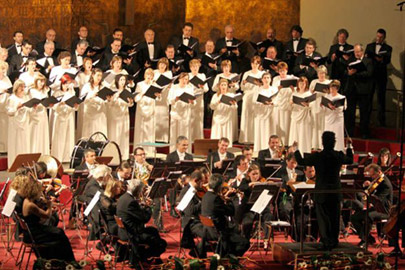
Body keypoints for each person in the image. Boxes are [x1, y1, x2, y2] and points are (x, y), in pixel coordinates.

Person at [294, 131, 354, 250]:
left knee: (323, 218)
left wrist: (296, 149)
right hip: (335, 192)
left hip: (321, 192)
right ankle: (334, 241)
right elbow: (350, 160)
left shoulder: (318, 156)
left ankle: (326, 241)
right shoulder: (338, 155)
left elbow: (301, 161)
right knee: (335, 217)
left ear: (322, 142)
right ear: (334, 142)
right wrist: (348, 147)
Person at [21, 177, 78, 264]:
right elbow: (47, 215)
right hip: (35, 234)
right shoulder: (30, 205)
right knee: (59, 233)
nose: (40, 193)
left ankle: (61, 259)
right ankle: (68, 260)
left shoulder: (27, 200)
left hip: (32, 230)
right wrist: (49, 205)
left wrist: (44, 204)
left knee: (59, 232)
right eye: (39, 191)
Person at [117, 179, 167, 266]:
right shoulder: (131, 202)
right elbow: (144, 218)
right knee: (161, 243)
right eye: (142, 190)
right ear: (137, 190)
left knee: (153, 230)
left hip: (125, 230)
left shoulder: (123, 197)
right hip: (132, 233)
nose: (142, 192)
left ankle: (155, 258)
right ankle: (142, 257)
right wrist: (149, 207)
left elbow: (135, 213)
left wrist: (142, 207)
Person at [201, 173, 250, 257]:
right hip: (218, 233)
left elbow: (216, 209)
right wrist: (230, 200)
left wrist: (223, 198)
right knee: (244, 243)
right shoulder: (216, 199)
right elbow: (231, 212)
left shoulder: (206, 196)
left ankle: (227, 254)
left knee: (234, 229)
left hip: (207, 229)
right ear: (219, 186)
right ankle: (229, 258)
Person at [351, 163, 393, 248]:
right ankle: (368, 238)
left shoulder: (386, 184)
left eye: (373, 175)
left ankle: (364, 241)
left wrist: (370, 196)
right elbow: (368, 193)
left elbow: (378, 199)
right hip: (376, 208)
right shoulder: (378, 181)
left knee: (368, 216)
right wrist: (367, 186)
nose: (372, 177)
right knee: (354, 217)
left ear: (379, 172)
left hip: (384, 210)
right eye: (371, 175)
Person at [344, 44, 374, 138]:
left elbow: (369, 73)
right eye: (355, 52)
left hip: (363, 90)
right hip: (352, 90)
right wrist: (349, 73)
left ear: (362, 52)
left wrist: (356, 73)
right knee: (350, 112)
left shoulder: (368, 61)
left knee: (364, 112)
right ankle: (350, 132)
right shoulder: (351, 60)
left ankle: (364, 132)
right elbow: (345, 72)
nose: (356, 53)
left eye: (358, 52)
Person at [365, 29, 392, 127]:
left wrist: (381, 59)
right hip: (370, 76)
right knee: (368, 98)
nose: (378, 39)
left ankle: (381, 122)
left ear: (384, 38)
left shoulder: (388, 48)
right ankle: (366, 120)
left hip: (381, 76)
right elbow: (365, 59)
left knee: (381, 99)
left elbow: (387, 61)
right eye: (377, 36)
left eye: (381, 37)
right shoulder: (369, 46)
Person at [241, 164, 272, 247]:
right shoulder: (245, 181)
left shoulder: (262, 181)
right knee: (247, 222)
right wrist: (249, 185)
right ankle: (245, 241)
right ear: (249, 174)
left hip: (261, 207)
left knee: (268, 215)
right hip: (249, 209)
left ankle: (266, 240)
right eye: (253, 174)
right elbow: (240, 187)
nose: (255, 176)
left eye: (257, 174)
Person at [51, 74, 78, 162]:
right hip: (60, 117)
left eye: (68, 83)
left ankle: (67, 157)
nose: (66, 85)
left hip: (69, 116)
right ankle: (58, 157)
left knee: (68, 136)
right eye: (65, 83)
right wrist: (60, 104)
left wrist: (75, 105)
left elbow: (75, 107)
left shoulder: (71, 93)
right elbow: (53, 107)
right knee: (59, 137)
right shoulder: (57, 93)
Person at [178, 170, 205, 257]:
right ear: (196, 180)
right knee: (208, 233)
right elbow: (190, 211)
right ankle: (198, 252)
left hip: (200, 219)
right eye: (202, 182)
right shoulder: (187, 191)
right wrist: (203, 202)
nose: (203, 185)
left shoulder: (196, 190)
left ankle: (198, 252)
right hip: (190, 222)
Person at [134, 68, 161, 153]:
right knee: (141, 131)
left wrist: (158, 96)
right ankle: (139, 150)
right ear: (145, 76)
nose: (149, 78)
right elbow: (136, 98)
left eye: (151, 77)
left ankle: (149, 151)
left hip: (151, 109)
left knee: (150, 130)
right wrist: (142, 94)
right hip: (141, 109)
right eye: (147, 76)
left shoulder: (155, 85)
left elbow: (159, 99)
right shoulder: (139, 84)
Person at [107, 74, 133, 159]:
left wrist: (130, 102)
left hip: (124, 114)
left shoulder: (127, 90)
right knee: (115, 133)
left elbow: (130, 104)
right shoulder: (113, 90)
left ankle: (124, 155)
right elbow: (110, 103)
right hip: (114, 115)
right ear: (117, 80)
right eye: (121, 80)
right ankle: (114, 154)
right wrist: (115, 97)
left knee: (123, 134)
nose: (122, 82)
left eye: (124, 80)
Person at [166, 136, 194, 218]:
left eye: (187, 145)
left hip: (186, 178)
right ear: (178, 145)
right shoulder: (170, 156)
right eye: (183, 145)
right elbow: (168, 171)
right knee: (173, 186)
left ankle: (187, 208)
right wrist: (177, 178)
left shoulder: (190, 156)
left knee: (192, 186)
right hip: (174, 178)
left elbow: (191, 171)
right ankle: (172, 208)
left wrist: (187, 179)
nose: (186, 147)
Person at [168, 72, 195, 152]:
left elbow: (194, 101)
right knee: (174, 134)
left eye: (186, 79)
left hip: (185, 114)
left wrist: (192, 102)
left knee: (184, 133)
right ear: (179, 79)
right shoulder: (174, 88)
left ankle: (185, 153)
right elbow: (169, 101)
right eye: (183, 79)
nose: (184, 81)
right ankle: (173, 152)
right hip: (175, 113)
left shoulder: (189, 88)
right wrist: (175, 99)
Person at [6, 80, 31, 167]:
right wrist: (17, 107)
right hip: (15, 125)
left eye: (24, 87)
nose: (22, 89)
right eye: (21, 87)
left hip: (24, 124)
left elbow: (28, 110)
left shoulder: (25, 98)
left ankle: (24, 163)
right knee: (16, 143)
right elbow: (9, 112)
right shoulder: (11, 98)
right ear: (16, 88)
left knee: (24, 143)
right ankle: (14, 164)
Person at [239, 56, 264, 144]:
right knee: (247, 115)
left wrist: (259, 84)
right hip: (248, 95)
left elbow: (265, 86)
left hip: (257, 95)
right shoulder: (246, 73)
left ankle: (256, 138)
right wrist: (244, 83)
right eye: (253, 63)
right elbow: (241, 87)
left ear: (259, 64)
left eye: (257, 63)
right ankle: (246, 138)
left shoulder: (262, 74)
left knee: (256, 116)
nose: (254, 65)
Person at [253, 72, 278, 152]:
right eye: (265, 78)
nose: (266, 79)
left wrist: (272, 103)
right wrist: (262, 102)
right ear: (262, 79)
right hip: (261, 112)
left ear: (270, 79)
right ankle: (260, 148)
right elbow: (254, 100)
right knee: (261, 130)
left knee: (270, 129)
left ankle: (271, 148)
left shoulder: (274, 89)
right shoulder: (258, 89)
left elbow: (278, 100)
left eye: (268, 78)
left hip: (271, 112)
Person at [276, 153, 304, 223]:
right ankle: (288, 228)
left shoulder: (300, 173)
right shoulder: (280, 172)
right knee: (285, 209)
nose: (294, 165)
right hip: (285, 197)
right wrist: (288, 183)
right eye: (292, 163)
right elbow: (280, 188)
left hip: (297, 197)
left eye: (295, 163)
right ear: (287, 161)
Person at [272, 61, 296, 144]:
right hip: (279, 103)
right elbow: (272, 92)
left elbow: (297, 90)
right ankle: (279, 142)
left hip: (287, 103)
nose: (282, 72)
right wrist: (277, 89)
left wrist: (293, 89)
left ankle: (287, 141)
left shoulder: (292, 78)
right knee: (279, 122)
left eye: (284, 70)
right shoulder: (275, 79)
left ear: (287, 70)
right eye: (280, 71)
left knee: (287, 122)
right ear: (278, 71)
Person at [82, 68, 109, 138]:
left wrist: (108, 99)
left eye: (100, 76)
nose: (99, 77)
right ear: (93, 75)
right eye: (98, 75)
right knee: (90, 132)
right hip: (90, 113)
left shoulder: (103, 86)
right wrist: (92, 95)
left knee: (100, 131)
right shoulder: (87, 86)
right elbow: (82, 99)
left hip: (100, 113)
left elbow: (105, 100)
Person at [309, 65, 331, 149]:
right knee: (315, 124)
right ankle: (314, 144)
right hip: (315, 103)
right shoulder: (314, 82)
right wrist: (312, 91)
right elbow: (310, 93)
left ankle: (323, 145)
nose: (321, 75)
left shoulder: (328, 82)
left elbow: (331, 94)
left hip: (324, 104)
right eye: (320, 73)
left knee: (323, 124)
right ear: (317, 74)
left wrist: (328, 92)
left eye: (323, 73)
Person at [27, 74, 50, 155]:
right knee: (35, 134)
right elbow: (28, 102)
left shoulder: (44, 91)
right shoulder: (31, 91)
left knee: (42, 134)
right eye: (40, 81)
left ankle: (43, 153)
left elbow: (46, 102)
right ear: (36, 81)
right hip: (34, 115)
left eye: (43, 81)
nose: (42, 83)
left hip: (43, 114)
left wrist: (49, 104)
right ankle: (33, 153)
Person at [289, 76, 313, 154]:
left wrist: (307, 105)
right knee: (295, 133)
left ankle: (304, 151)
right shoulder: (294, 93)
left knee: (304, 133)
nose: (302, 85)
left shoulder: (309, 93)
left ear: (306, 84)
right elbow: (290, 106)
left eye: (303, 83)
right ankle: (294, 152)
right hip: (295, 114)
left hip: (305, 116)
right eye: (300, 83)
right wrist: (291, 103)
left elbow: (311, 106)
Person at [210, 79, 238, 145]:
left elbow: (235, 108)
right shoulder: (215, 96)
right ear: (219, 86)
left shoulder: (231, 95)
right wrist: (218, 102)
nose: (223, 86)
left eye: (225, 85)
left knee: (226, 132)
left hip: (227, 116)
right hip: (218, 116)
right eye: (222, 85)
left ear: (227, 86)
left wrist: (233, 104)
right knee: (217, 132)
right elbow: (212, 106)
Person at [322, 80, 346, 151]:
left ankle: (338, 150)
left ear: (337, 89)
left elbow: (342, 108)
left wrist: (335, 107)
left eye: (334, 88)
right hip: (328, 118)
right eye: (331, 88)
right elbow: (324, 109)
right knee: (328, 134)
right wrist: (323, 105)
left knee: (337, 135)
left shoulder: (341, 97)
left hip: (337, 119)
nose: (332, 90)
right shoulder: (326, 96)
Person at [188, 59, 208, 143]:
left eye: (196, 66)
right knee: (190, 118)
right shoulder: (188, 75)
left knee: (198, 119)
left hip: (199, 100)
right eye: (193, 66)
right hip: (190, 99)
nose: (195, 68)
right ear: (190, 67)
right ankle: (189, 138)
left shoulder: (202, 76)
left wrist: (202, 87)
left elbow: (206, 89)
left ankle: (198, 139)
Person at [153, 58, 172, 142]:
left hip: (164, 96)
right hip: (156, 96)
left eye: (164, 64)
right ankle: (155, 137)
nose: (162, 65)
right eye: (161, 64)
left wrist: (169, 85)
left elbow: (169, 83)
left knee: (164, 116)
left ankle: (164, 138)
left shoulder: (169, 73)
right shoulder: (154, 72)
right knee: (156, 115)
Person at [75, 57, 93, 140]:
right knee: (82, 118)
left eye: (90, 63)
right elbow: (76, 85)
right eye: (87, 63)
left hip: (93, 99)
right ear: (84, 65)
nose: (89, 65)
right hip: (83, 99)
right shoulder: (80, 75)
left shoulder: (94, 74)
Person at [0, 60, 12, 153]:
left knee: (5, 127)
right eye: (2, 69)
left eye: (5, 70)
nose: (4, 72)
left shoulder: (6, 78)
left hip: (5, 106)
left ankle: (5, 148)